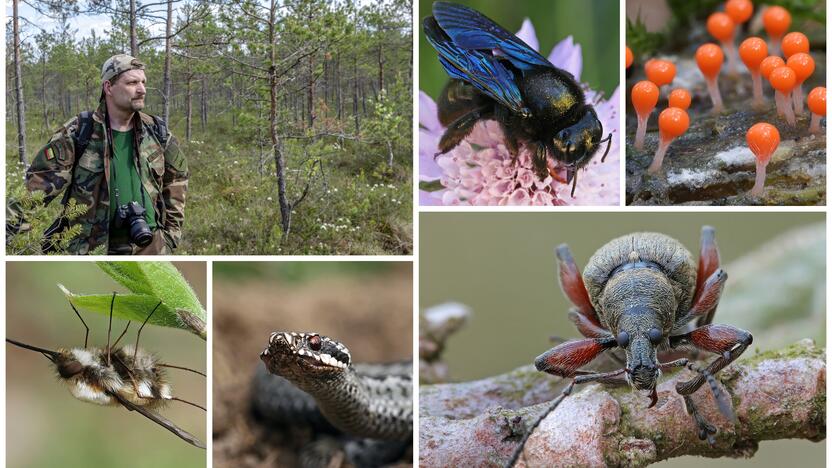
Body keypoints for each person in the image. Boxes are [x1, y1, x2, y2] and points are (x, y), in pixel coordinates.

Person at [26, 54, 188, 254]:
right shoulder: (80, 131)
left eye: (143, 82)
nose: (142, 89)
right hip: (91, 251)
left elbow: (177, 181)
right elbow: (33, 194)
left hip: (149, 249)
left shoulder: (157, 132)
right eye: (132, 82)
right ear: (108, 87)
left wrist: (170, 237)